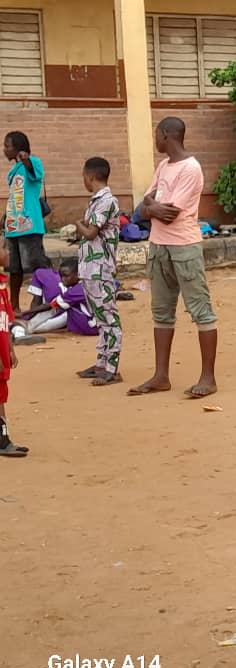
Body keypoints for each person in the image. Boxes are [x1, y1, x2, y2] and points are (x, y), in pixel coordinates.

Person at [130, 116, 217, 399]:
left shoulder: (191, 168)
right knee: (161, 312)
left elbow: (169, 213)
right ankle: (161, 376)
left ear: (167, 134)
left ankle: (208, 377)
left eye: (156, 133)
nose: (155, 139)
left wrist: (151, 207)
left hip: (184, 248)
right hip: (159, 247)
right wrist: (153, 208)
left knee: (200, 310)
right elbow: (143, 208)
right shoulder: (163, 166)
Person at [74, 157, 123, 386]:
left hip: (100, 269)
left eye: (84, 176)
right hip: (91, 269)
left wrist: (78, 225)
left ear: (90, 177)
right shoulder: (96, 201)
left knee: (109, 319)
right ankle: (102, 363)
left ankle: (111, 368)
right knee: (100, 318)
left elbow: (91, 232)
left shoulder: (106, 201)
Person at [3, 131, 50, 315]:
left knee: (36, 267)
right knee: (14, 270)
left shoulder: (33, 163)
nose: (4, 150)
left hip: (29, 226)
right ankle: (13, 306)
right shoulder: (13, 171)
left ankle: (40, 305)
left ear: (18, 148)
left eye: (7, 146)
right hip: (13, 227)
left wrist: (26, 160)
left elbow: (33, 172)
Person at [0, 237, 27, 457]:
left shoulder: (2, 285)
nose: (8, 252)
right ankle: (3, 440)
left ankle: (3, 439)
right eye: (4, 249)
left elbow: (7, 320)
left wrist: (9, 348)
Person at [21, 260, 94, 337]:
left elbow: (50, 306)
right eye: (61, 276)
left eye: (66, 276)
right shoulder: (87, 284)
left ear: (78, 275)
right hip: (97, 324)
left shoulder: (75, 291)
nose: (62, 280)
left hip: (90, 327)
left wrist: (25, 313)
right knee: (61, 305)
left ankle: (27, 328)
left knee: (58, 307)